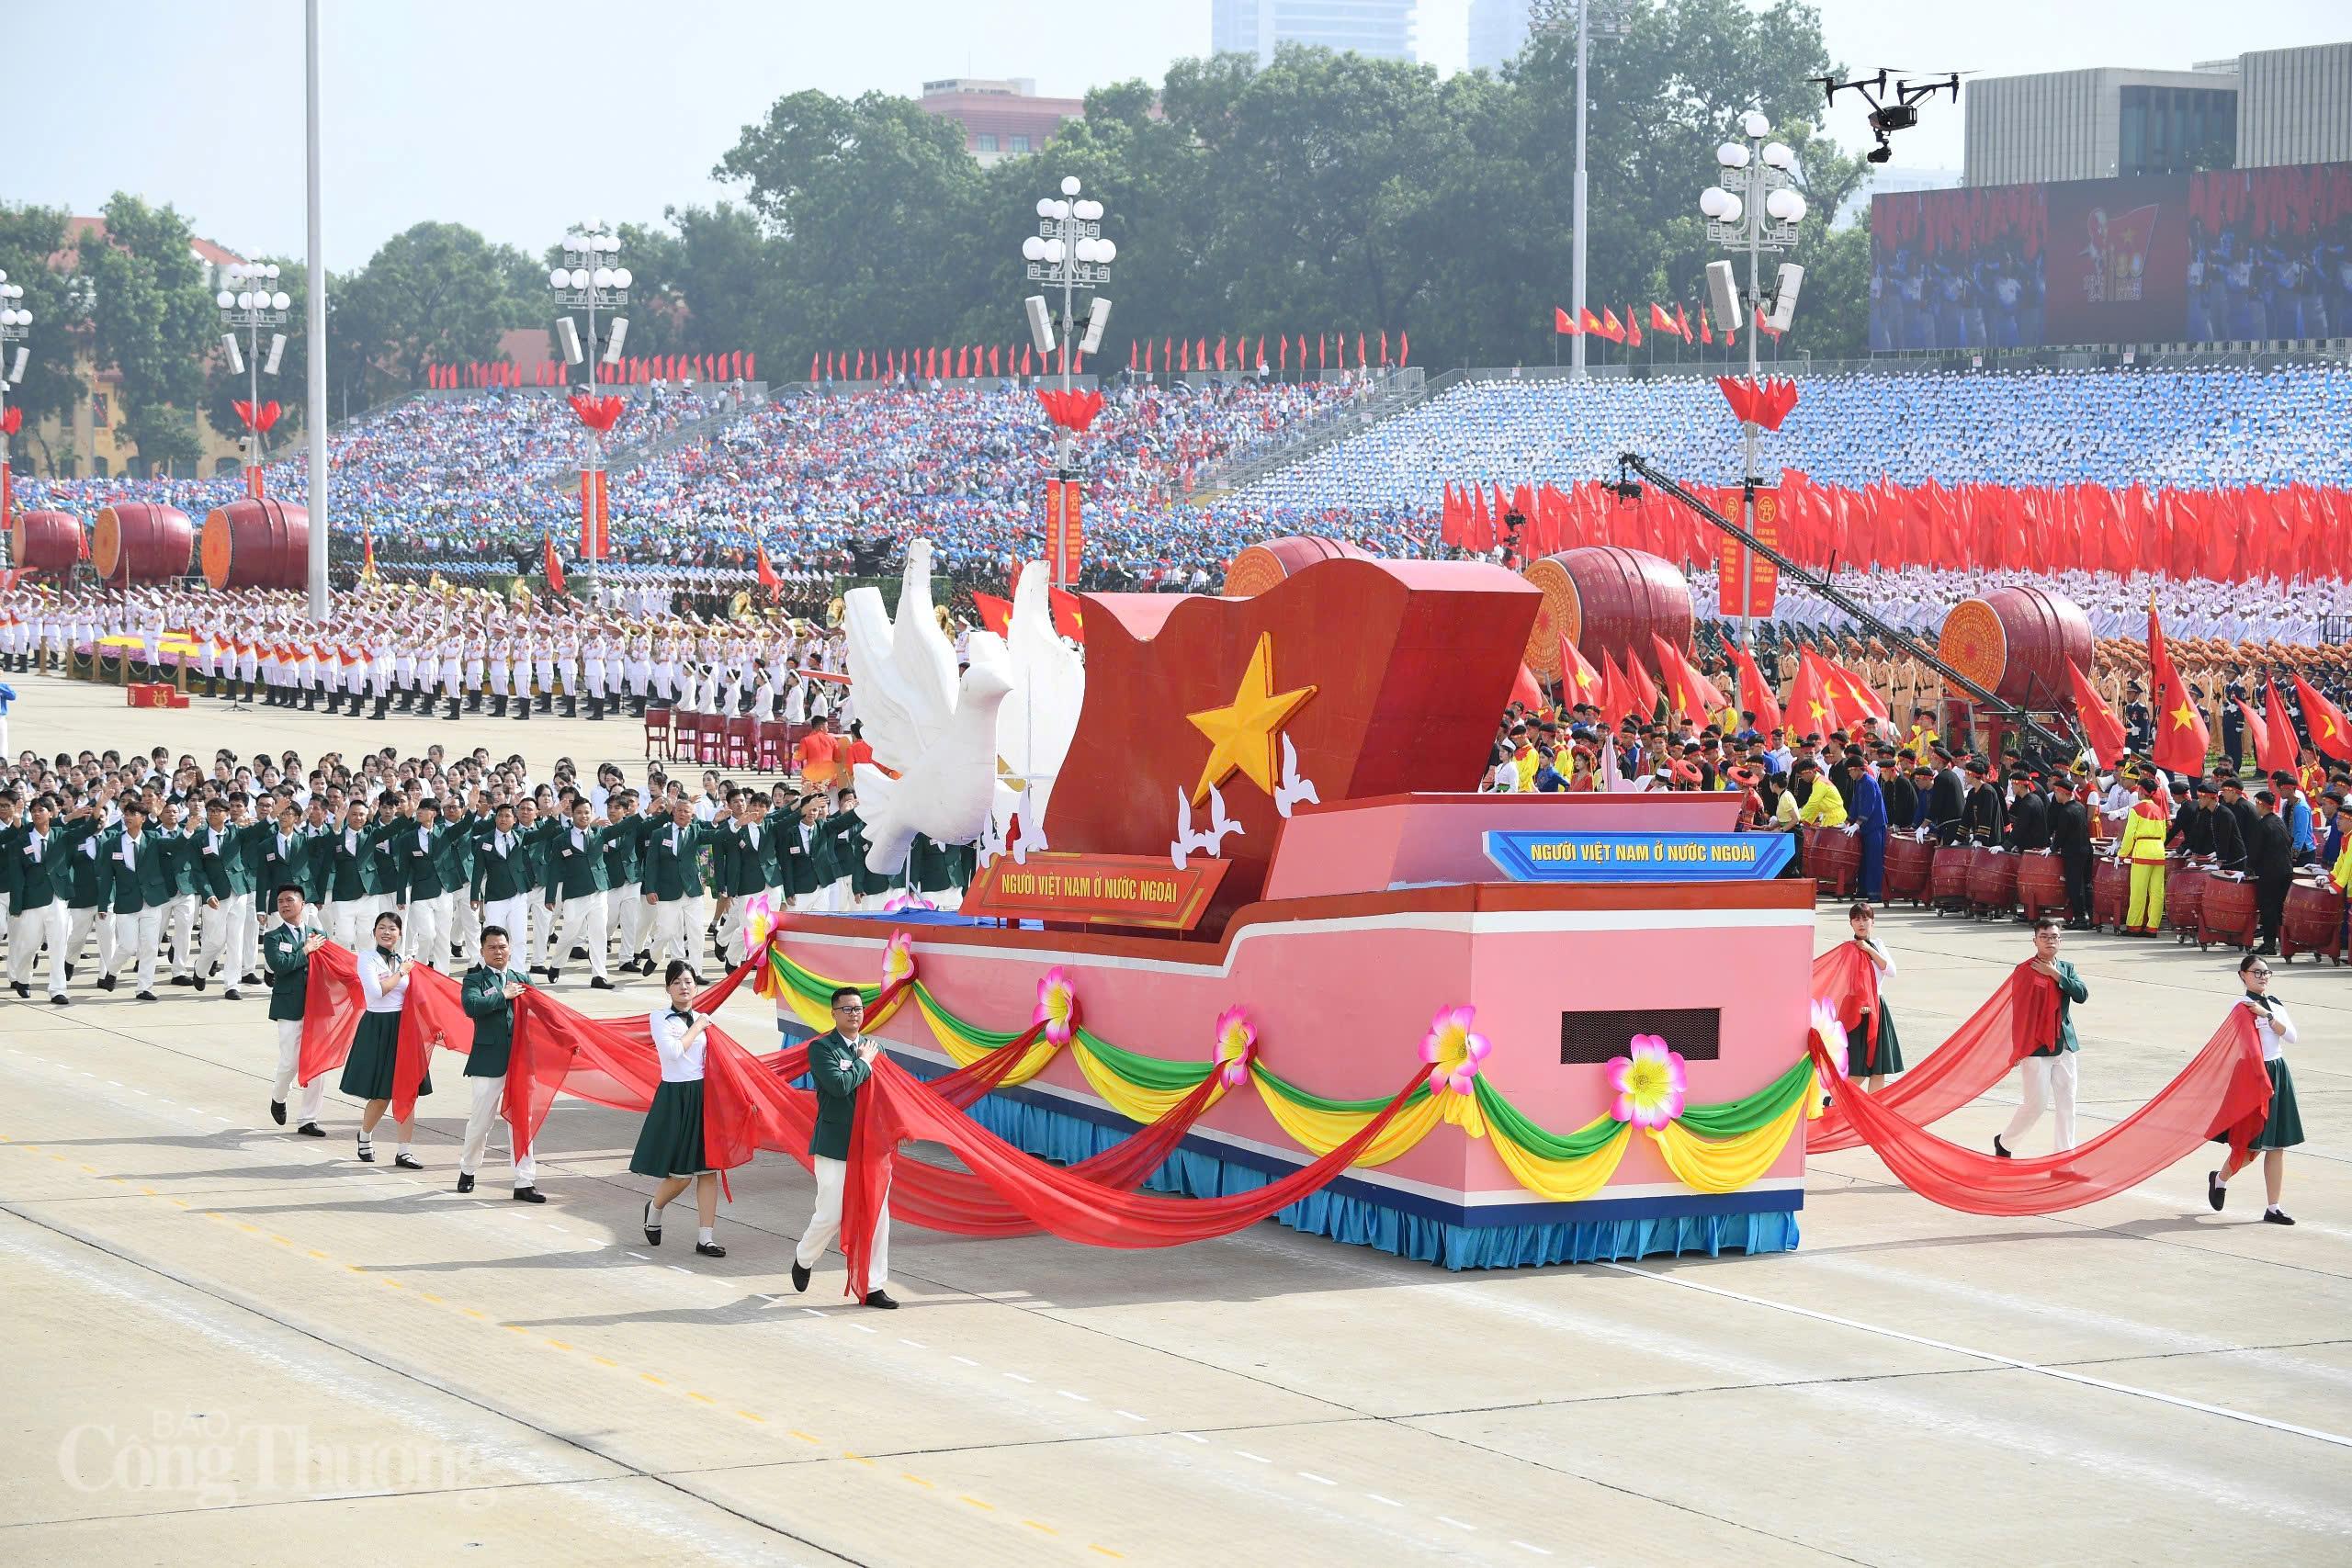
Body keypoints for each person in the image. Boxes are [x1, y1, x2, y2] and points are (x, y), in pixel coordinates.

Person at [791, 984, 897, 1308]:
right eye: (847, 1009)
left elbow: (887, 1096)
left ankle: (873, 1285)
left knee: (878, 1214)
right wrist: (863, 1063)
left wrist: (898, 1127)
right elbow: (838, 1086)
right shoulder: (822, 1049)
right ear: (834, 1013)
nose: (854, 1014)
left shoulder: (874, 1048)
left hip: (872, 1147)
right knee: (831, 1213)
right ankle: (804, 1257)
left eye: (858, 1008)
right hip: (836, 1144)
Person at [633, 960, 726, 1258]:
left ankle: (706, 1238)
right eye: (677, 983)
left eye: (688, 981)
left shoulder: (702, 1018)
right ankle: (655, 1209)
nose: (684, 987)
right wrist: (698, 1026)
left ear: (695, 985)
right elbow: (672, 1054)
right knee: (682, 1174)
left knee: (709, 1171)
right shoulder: (660, 1018)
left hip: (702, 1096)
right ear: (668, 988)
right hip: (676, 1096)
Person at [2208, 953, 2302, 1224]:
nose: (2263, 977)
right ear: (2243, 976)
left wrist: (2268, 1016)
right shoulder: (2240, 1006)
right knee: (2252, 1145)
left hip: (2277, 1071)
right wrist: (2258, 1014)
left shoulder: (2274, 1004)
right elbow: (2242, 1044)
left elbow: (2292, 1037)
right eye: (2256, 973)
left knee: (2278, 1145)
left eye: (2266, 973)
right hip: (2252, 1075)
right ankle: (2220, 1178)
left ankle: (2273, 1207)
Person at [456, 925, 543, 1200]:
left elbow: (541, 1013)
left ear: (510, 948)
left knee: (522, 1122)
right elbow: (472, 1007)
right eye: (492, 947)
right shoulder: (474, 980)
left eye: (502, 946)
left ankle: (524, 1181)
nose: (498, 951)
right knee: (481, 1122)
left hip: (520, 1061)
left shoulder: (521, 978)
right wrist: (502, 995)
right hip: (487, 1061)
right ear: (481, 951)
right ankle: (468, 1169)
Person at [1995, 917, 2088, 1157]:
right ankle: (2005, 1143)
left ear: (2061, 941)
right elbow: (2021, 1013)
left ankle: (2064, 1159)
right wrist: (2018, 1049)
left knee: (2067, 1104)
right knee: (2036, 1105)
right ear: (2034, 940)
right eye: (2044, 937)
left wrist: (2055, 974)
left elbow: (2081, 994)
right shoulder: (2025, 971)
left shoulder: (2066, 968)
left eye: (2054, 937)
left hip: (2065, 1043)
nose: (2050, 941)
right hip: (2036, 1046)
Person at [345, 909, 431, 1168]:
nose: (387, 932)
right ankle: (365, 1135)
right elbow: (376, 993)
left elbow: (416, 996)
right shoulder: (367, 958)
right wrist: (403, 972)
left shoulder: (405, 960)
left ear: (400, 933)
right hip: (378, 1027)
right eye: (382, 927)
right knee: (381, 1094)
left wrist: (430, 1023)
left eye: (392, 928)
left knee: (408, 1091)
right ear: (374, 932)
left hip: (405, 1028)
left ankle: (404, 1151)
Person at [260, 884, 329, 1135]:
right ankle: (278, 1098)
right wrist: (305, 951)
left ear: (302, 903)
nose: (284, 905)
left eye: (290, 900)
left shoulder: (317, 934)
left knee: (317, 1065)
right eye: (280, 902)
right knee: (290, 1062)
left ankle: (308, 1119)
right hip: (289, 1006)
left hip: (317, 1007)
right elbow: (279, 965)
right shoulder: (273, 937)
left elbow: (332, 966)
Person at [1841, 902, 1905, 1093]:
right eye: (1857, 919)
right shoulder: (1848, 950)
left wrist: (1869, 950)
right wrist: (1862, 1003)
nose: (1861, 923)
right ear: (1851, 923)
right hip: (1859, 1010)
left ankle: (1873, 1112)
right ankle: (1836, 1104)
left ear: (1872, 922)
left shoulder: (1877, 944)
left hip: (1878, 1006)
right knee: (1858, 1070)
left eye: (1865, 918)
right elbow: (1849, 983)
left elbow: (1891, 971)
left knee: (1880, 1068)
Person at [2117, 775, 2170, 934]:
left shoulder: (2136, 810)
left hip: (2142, 850)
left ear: (2141, 791)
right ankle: (2152, 927)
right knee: (2157, 892)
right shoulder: (2159, 810)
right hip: (2159, 850)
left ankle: (2134, 925)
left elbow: (2129, 835)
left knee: (2138, 890)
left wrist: (2122, 854)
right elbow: (2164, 834)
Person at [2249, 789, 2294, 956]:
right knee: (2281, 908)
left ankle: (2269, 944)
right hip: (2285, 870)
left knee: (2268, 909)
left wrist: (2249, 868)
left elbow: (2255, 851)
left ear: (2261, 804)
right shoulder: (2278, 821)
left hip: (2270, 874)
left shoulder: (2263, 825)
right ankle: (2284, 942)